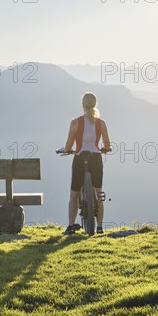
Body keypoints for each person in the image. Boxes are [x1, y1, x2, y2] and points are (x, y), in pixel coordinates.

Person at [61, 92, 111, 235]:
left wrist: (66, 149)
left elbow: (69, 145)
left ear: (82, 105)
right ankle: (100, 227)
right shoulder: (101, 123)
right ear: (95, 105)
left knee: (74, 195)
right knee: (99, 193)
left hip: (79, 158)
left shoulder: (75, 122)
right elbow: (107, 144)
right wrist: (105, 149)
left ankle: (71, 227)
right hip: (96, 158)